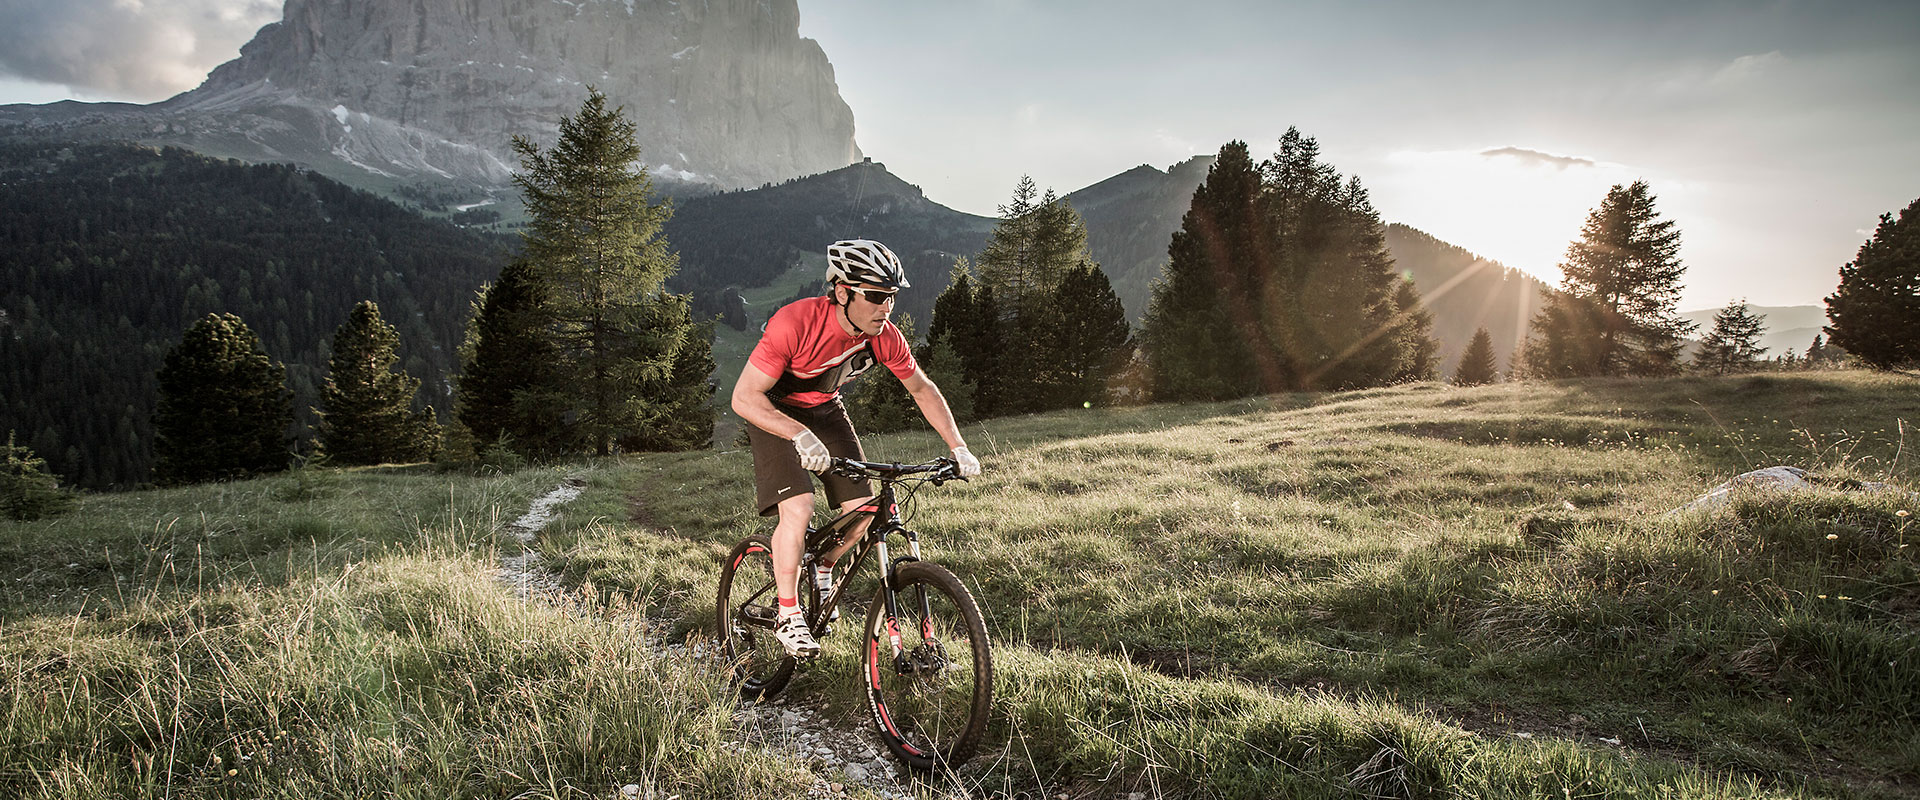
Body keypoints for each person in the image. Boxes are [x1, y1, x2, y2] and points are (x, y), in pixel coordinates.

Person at [729, 239, 981, 658]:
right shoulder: (794, 323)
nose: (886, 308)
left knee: (862, 512)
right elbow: (744, 398)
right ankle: (788, 613)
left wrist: (958, 446)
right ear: (843, 291)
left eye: (892, 298)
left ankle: (824, 565)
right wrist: (797, 433)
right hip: (772, 410)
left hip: (825, 409)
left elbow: (921, 388)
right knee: (800, 506)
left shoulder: (883, 337)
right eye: (877, 297)